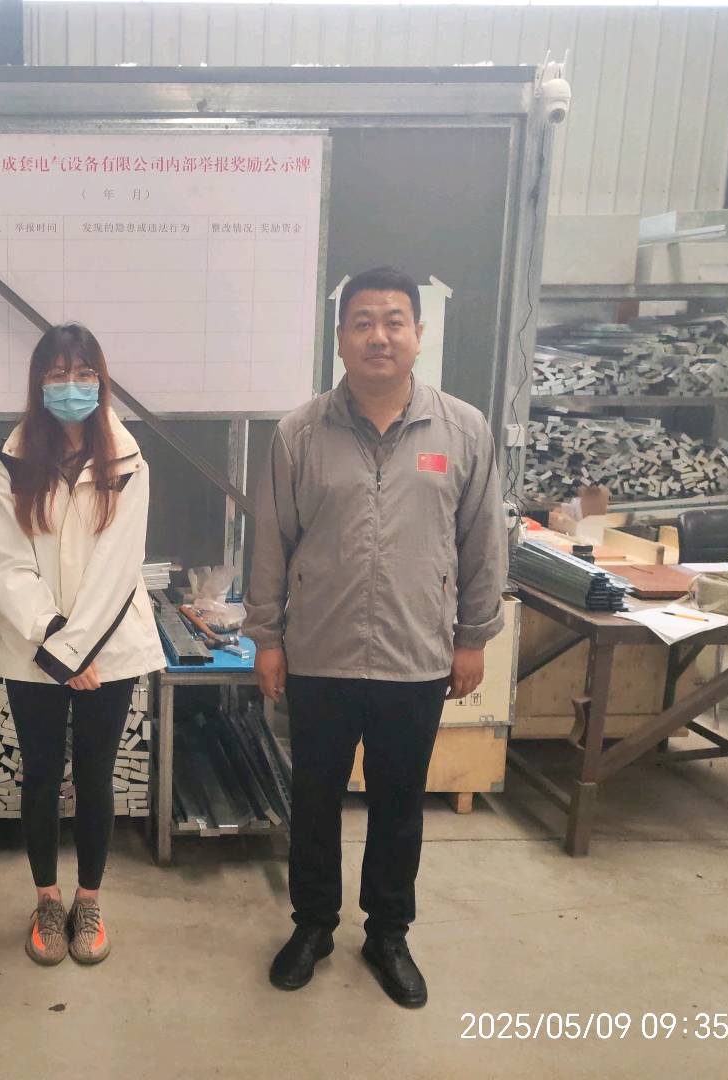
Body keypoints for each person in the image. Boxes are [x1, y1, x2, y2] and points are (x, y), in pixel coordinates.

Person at [244, 266, 507, 1007]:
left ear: (419, 335)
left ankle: (389, 933)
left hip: (416, 656)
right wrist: (267, 638)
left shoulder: (463, 430)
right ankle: (313, 926)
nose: (379, 336)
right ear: (340, 339)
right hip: (319, 653)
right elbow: (271, 544)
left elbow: (483, 542)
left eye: (395, 321)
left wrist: (473, 636)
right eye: (363, 322)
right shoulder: (300, 433)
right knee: (314, 800)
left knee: (398, 806)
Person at [0, 323, 164, 967]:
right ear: (38, 382)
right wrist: (56, 643)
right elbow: (5, 561)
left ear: (101, 381)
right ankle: (46, 900)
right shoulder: (8, 461)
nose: (71, 386)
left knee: (94, 773)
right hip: (34, 645)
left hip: (107, 648)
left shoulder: (129, 460)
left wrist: (79, 650)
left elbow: (120, 564)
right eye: (58, 374)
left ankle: (88, 900)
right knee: (39, 773)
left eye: (84, 374)